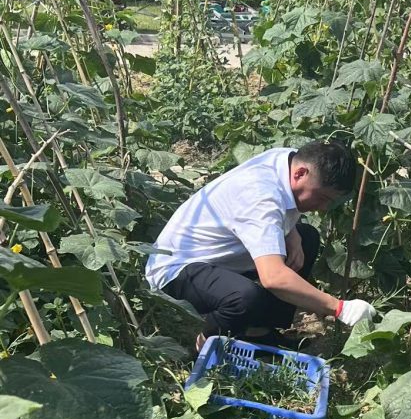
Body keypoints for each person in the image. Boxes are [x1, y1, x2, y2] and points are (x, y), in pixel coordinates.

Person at [145, 141, 376, 349]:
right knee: (244, 297)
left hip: (219, 255)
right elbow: (274, 278)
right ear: (300, 173)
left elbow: (282, 207)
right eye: (322, 198)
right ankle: (206, 345)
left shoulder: (288, 160)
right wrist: (339, 308)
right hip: (176, 268)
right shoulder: (260, 197)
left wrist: (291, 231)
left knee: (306, 238)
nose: (323, 207)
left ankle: (258, 332)